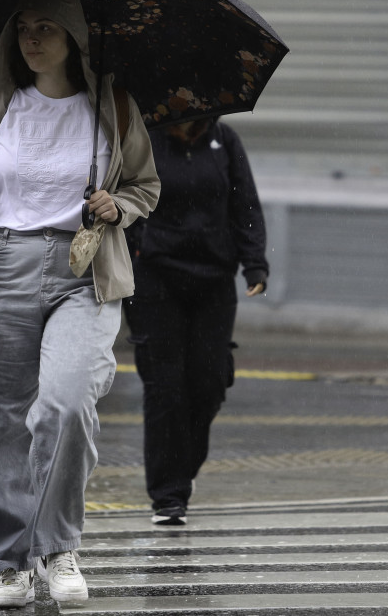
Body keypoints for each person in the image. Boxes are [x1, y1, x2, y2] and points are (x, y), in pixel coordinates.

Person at [0, 0, 159, 609]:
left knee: (67, 403)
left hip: (84, 272)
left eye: (47, 27)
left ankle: (58, 545)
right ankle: (11, 564)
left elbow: (146, 186)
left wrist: (117, 204)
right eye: (23, 27)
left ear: (75, 37)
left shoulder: (113, 108)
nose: (32, 38)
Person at [123, 117, 268, 526]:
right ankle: (168, 496)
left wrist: (255, 263)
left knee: (208, 384)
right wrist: (134, 250)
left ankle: (181, 470)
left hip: (214, 278)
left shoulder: (224, 140)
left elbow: (245, 203)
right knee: (164, 385)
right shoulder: (144, 139)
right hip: (154, 277)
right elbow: (125, 199)